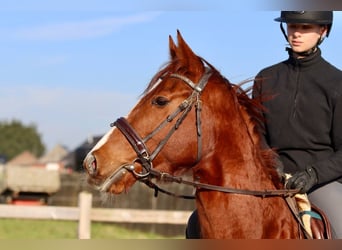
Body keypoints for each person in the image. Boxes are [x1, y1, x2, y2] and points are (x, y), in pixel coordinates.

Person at [253, 11, 342, 239]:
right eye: (292, 26)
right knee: (199, 221)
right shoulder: (265, 78)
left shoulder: (337, 83)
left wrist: (313, 174)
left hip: (320, 181)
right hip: (272, 177)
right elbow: (256, 133)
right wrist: (271, 163)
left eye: (305, 28)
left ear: (323, 31)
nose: (297, 34)